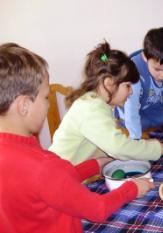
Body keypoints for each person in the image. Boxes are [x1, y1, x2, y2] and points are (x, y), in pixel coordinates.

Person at [0, 43, 154, 233]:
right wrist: (131, 189)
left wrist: (95, 165)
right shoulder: (42, 166)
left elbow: (55, 183)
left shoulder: (18, 155)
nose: (48, 105)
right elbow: (97, 208)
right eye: (46, 97)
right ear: (23, 105)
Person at [49, 41, 163, 165]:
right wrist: (155, 149)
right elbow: (117, 147)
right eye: (127, 85)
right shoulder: (91, 109)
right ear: (109, 83)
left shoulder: (94, 104)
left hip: (72, 174)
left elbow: (105, 144)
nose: (131, 91)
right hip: (60, 177)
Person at [116, 27, 163, 139]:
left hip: (152, 106)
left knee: (162, 123)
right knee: (138, 126)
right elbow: (131, 108)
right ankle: (124, 121)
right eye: (158, 69)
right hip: (130, 108)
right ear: (145, 57)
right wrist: (136, 139)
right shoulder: (135, 73)